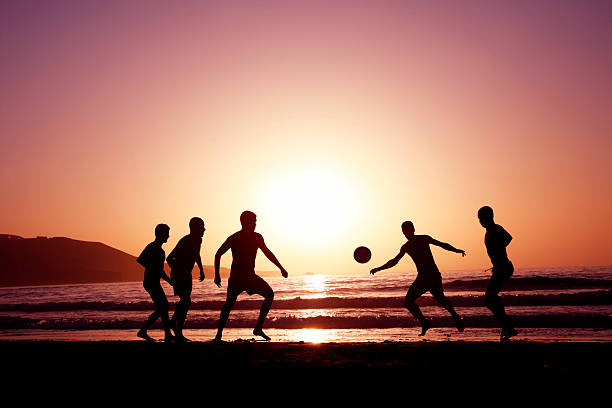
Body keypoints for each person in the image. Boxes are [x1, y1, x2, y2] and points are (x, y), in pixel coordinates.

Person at [370, 221, 465, 336]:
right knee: (412, 301)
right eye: (404, 231)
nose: (406, 233)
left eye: (407, 230)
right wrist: (379, 268)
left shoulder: (423, 239)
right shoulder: (407, 246)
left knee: (437, 299)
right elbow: (394, 261)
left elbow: (442, 244)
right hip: (425, 276)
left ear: (413, 229)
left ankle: (452, 318)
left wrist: (456, 250)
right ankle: (429, 322)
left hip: (431, 275)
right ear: (403, 232)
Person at [213, 211, 288, 341]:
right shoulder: (235, 238)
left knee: (268, 294)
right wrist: (217, 275)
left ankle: (256, 328)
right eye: (252, 222)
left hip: (247, 276)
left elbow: (267, 253)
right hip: (239, 277)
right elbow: (218, 254)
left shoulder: (256, 237)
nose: (254, 225)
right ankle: (219, 334)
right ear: (244, 222)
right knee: (229, 305)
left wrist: (281, 267)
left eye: (255, 222)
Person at [478, 206, 518, 341]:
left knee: (489, 299)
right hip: (501, 267)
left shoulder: (495, 229)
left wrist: (499, 251)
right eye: (479, 219)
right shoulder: (493, 230)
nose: (480, 221)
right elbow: (507, 239)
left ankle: (508, 326)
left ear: (489, 217)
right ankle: (506, 325)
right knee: (491, 298)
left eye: (481, 218)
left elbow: (508, 238)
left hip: (504, 267)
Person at [166, 217, 205, 342]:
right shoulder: (185, 240)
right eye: (202, 227)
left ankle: (174, 325)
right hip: (180, 274)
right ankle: (177, 331)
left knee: (185, 301)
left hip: (187, 274)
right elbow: (169, 258)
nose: (204, 229)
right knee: (186, 300)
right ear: (194, 228)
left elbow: (197, 254)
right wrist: (178, 271)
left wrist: (201, 269)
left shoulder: (198, 240)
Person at [136, 223, 174, 342]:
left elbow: (160, 270)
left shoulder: (161, 251)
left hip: (154, 282)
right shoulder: (152, 247)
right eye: (166, 234)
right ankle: (145, 330)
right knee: (164, 306)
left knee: (163, 307)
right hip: (150, 282)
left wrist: (169, 281)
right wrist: (151, 267)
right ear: (160, 234)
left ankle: (165, 333)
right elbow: (140, 259)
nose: (168, 236)